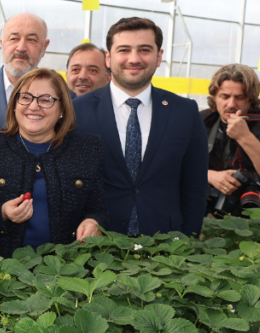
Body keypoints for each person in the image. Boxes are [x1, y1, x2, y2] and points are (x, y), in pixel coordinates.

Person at [73, 17, 206, 237]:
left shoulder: (185, 112)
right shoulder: (77, 111)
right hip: (95, 246)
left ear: (158, 56)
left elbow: (195, 186)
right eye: (124, 50)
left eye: (144, 50)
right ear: (108, 57)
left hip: (166, 247)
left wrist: (188, 238)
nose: (134, 59)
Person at [0, 69, 107, 258]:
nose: (34, 106)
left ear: (62, 110)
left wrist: (93, 221)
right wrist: (2, 212)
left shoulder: (87, 149)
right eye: (26, 97)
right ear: (14, 104)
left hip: (66, 271)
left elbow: (99, 208)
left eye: (46, 100)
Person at [201, 63, 260, 216]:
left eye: (239, 98)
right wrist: (210, 176)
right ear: (214, 96)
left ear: (251, 99)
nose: (231, 104)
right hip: (204, 212)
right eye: (224, 97)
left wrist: (245, 137)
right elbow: (171, 165)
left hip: (254, 216)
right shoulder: (201, 121)